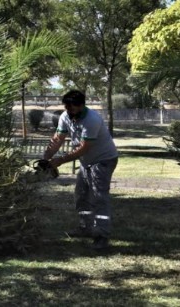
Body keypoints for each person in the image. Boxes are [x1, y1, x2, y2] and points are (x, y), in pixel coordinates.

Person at [43, 90, 119, 250]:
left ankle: (101, 235)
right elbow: (58, 138)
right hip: (87, 161)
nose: (68, 110)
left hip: (103, 160)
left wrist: (60, 160)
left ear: (81, 105)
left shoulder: (92, 120)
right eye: (66, 107)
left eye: (71, 108)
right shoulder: (65, 116)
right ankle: (85, 227)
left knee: (99, 196)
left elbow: (84, 148)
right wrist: (47, 157)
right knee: (81, 195)